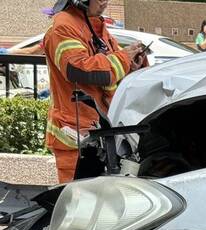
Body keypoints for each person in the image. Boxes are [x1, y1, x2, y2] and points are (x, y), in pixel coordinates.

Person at [43, 0, 146, 183]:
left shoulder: (95, 25)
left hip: (100, 134)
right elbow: (79, 70)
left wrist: (131, 65)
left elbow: (110, 69)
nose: (105, 2)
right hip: (76, 140)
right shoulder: (63, 26)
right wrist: (124, 58)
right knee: (79, 198)